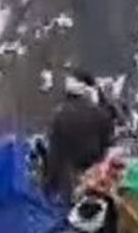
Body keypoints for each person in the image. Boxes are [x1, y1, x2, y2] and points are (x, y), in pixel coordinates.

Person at [45, 70, 113, 204]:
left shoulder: (59, 115)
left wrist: (49, 182)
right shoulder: (100, 114)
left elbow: (54, 152)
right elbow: (107, 146)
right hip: (96, 178)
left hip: (68, 178)